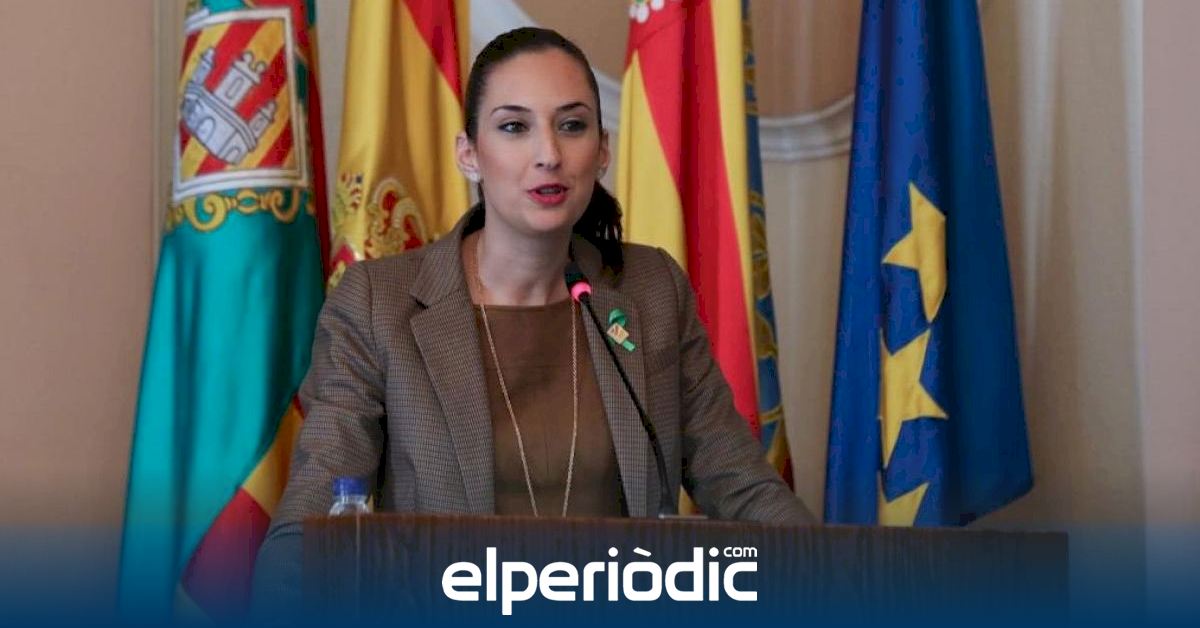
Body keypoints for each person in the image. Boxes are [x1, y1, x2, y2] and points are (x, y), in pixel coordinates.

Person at [253, 25, 813, 610]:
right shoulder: (378, 304)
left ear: (601, 151)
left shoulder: (650, 291)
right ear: (469, 154)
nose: (549, 153)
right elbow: (308, 529)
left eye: (571, 125)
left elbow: (746, 489)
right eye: (514, 127)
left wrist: (840, 578)